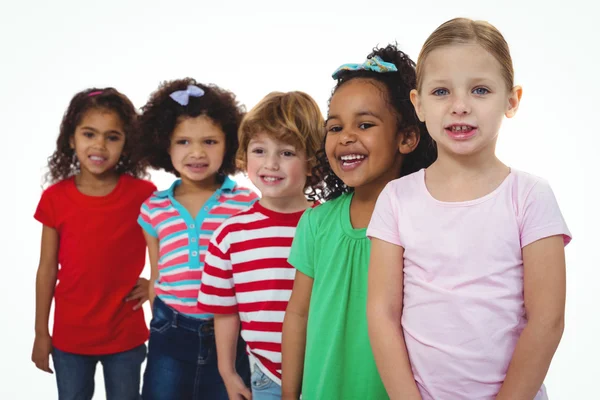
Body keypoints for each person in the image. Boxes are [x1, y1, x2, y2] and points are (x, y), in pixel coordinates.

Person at [367, 18, 571, 400]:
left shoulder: (530, 197)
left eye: (480, 90)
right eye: (442, 91)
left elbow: (547, 320)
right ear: (419, 104)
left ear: (511, 100)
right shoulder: (396, 200)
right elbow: (382, 314)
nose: (460, 106)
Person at [281, 45, 436, 399]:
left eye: (364, 124)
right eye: (335, 127)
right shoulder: (316, 223)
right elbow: (299, 316)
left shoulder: (426, 219)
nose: (346, 136)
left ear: (407, 137)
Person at [198, 91, 324, 400]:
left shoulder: (328, 224)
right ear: (243, 158)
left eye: (287, 153)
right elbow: (225, 311)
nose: (271, 164)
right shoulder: (230, 235)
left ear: (311, 162)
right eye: (259, 150)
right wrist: (227, 372)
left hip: (325, 368)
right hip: (266, 375)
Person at [138, 78, 257, 399]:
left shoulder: (245, 203)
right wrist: (160, 321)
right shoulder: (154, 208)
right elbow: (156, 273)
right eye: (183, 142)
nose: (196, 153)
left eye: (209, 141)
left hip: (231, 334)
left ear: (229, 143)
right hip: (170, 330)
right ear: (165, 144)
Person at [32, 87, 155, 400]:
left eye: (112, 137)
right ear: (72, 139)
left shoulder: (143, 195)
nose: (100, 145)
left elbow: (168, 251)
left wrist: (154, 282)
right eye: (89, 134)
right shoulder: (55, 199)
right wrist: (40, 333)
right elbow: (47, 268)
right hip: (70, 338)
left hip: (125, 335)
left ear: (126, 143)